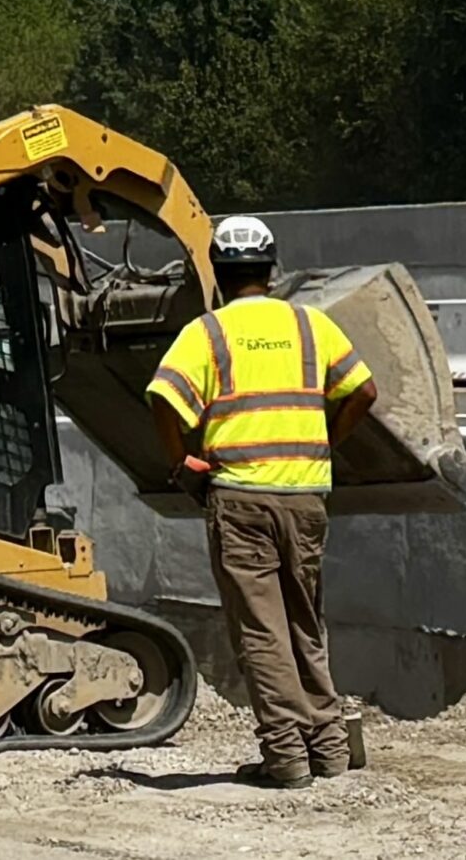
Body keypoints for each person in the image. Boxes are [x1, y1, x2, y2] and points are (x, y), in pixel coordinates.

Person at [146, 215, 379, 789]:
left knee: (261, 631)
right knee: (304, 623)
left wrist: (184, 464)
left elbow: (163, 399)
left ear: (220, 276)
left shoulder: (209, 333)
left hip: (240, 499)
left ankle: (286, 759)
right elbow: (364, 391)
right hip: (304, 497)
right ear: (271, 272)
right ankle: (327, 749)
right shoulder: (310, 325)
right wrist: (324, 439)